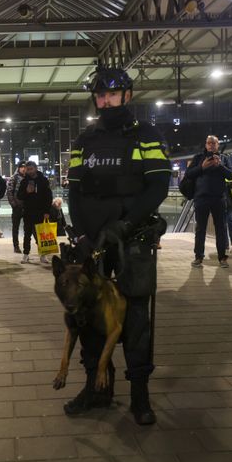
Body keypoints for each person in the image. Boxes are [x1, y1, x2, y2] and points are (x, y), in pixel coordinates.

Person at [66, 64, 171, 426]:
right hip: (92, 241)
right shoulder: (85, 140)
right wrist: (81, 236)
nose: (105, 100)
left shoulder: (146, 134)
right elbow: (74, 193)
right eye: (100, 95)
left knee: (137, 317)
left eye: (111, 93)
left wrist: (126, 224)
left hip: (133, 238)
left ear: (127, 95)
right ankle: (97, 388)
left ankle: (140, 394)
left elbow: (158, 186)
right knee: (87, 317)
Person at [186, 135, 232, 268]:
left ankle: (222, 258)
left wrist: (220, 166)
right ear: (206, 145)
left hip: (219, 199)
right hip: (201, 198)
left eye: (214, 143)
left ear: (218, 145)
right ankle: (198, 257)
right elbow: (189, 174)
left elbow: (231, 175)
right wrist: (202, 167)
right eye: (209, 143)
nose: (211, 145)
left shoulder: (224, 159)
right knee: (200, 229)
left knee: (221, 229)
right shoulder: (198, 158)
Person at [17, 161, 53, 264]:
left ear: (36, 168)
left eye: (31, 169)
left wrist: (47, 211)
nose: (29, 171)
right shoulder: (24, 181)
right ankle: (26, 254)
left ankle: (43, 255)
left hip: (40, 212)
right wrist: (26, 192)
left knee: (41, 234)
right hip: (28, 211)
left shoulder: (43, 180)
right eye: (28, 169)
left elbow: (48, 197)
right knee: (27, 234)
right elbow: (19, 196)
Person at [6, 161, 27, 253]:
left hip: (26, 207)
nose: (23, 169)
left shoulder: (28, 178)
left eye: (25, 167)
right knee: (15, 228)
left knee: (28, 228)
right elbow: (9, 192)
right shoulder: (14, 178)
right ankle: (16, 246)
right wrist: (14, 205)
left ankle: (27, 247)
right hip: (17, 207)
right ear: (18, 168)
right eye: (22, 167)